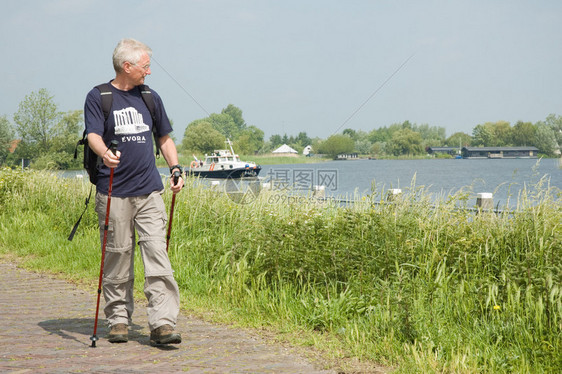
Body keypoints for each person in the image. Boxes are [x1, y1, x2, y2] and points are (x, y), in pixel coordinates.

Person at [84, 38, 184, 346]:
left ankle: (163, 323)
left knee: (157, 254)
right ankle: (118, 320)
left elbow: (164, 138)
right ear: (127, 67)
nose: (149, 72)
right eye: (145, 66)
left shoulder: (150, 98)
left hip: (149, 192)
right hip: (113, 192)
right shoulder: (99, 96)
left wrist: (176, 169)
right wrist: (104, 154)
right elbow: (93, 135)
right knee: (118, 256)